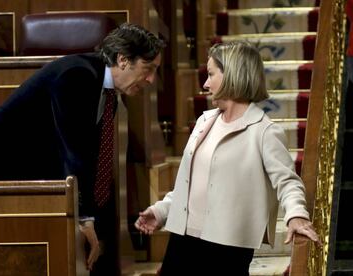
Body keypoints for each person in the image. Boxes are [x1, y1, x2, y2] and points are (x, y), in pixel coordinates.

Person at [0, 23, 165, 274]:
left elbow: (95, 162)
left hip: (30, 170)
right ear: (123, 60)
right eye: (148, 69)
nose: (151, 79)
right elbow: (74, 152)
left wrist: (92, 218)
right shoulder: (77, 75)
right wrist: (84, 218)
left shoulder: (107, 92)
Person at [135, 41, 320, 275]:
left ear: (232, 75)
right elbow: (192, 184)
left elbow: (288, 182)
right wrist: (162, 210)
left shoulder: (265, 131)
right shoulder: (204, 122)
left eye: (211, 74)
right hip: (183, 239)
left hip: (227, 246)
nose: (205, 83)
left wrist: (296, 215)